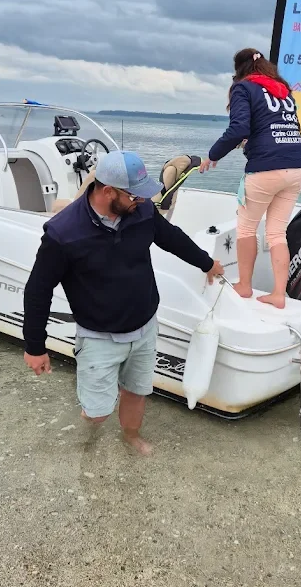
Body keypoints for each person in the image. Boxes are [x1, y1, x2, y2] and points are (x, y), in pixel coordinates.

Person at [23, 150, 224, 455]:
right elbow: (38, 290)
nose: (142, 201)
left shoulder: (140, 211)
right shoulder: (63, 234)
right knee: (97, 413)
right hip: (99, 337)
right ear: (107, 191)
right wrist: (35, 347)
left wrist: (207, 263)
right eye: (134, 196)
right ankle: (89, 428)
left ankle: (130, 436)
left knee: (137, 392)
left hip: (144, 327)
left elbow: (171, 237)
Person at [200, 48, 301, 309]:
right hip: (297, 166)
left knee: (247, 228)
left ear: (240, 70)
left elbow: (239, 128)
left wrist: (212, 155)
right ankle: (279, 295)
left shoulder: (243, 88)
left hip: (266, 167)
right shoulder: (284, 91)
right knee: (276, 233)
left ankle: (245, 286)